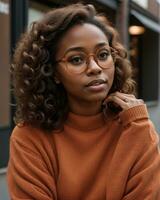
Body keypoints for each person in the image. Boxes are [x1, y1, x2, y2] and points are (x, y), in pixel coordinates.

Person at [7, 3, 160, 200]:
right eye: (76, 59)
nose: (95, 68)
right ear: (52, 72)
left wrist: (140, 127)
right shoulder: (29, 137)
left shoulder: (135, 125)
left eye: (103, 55)